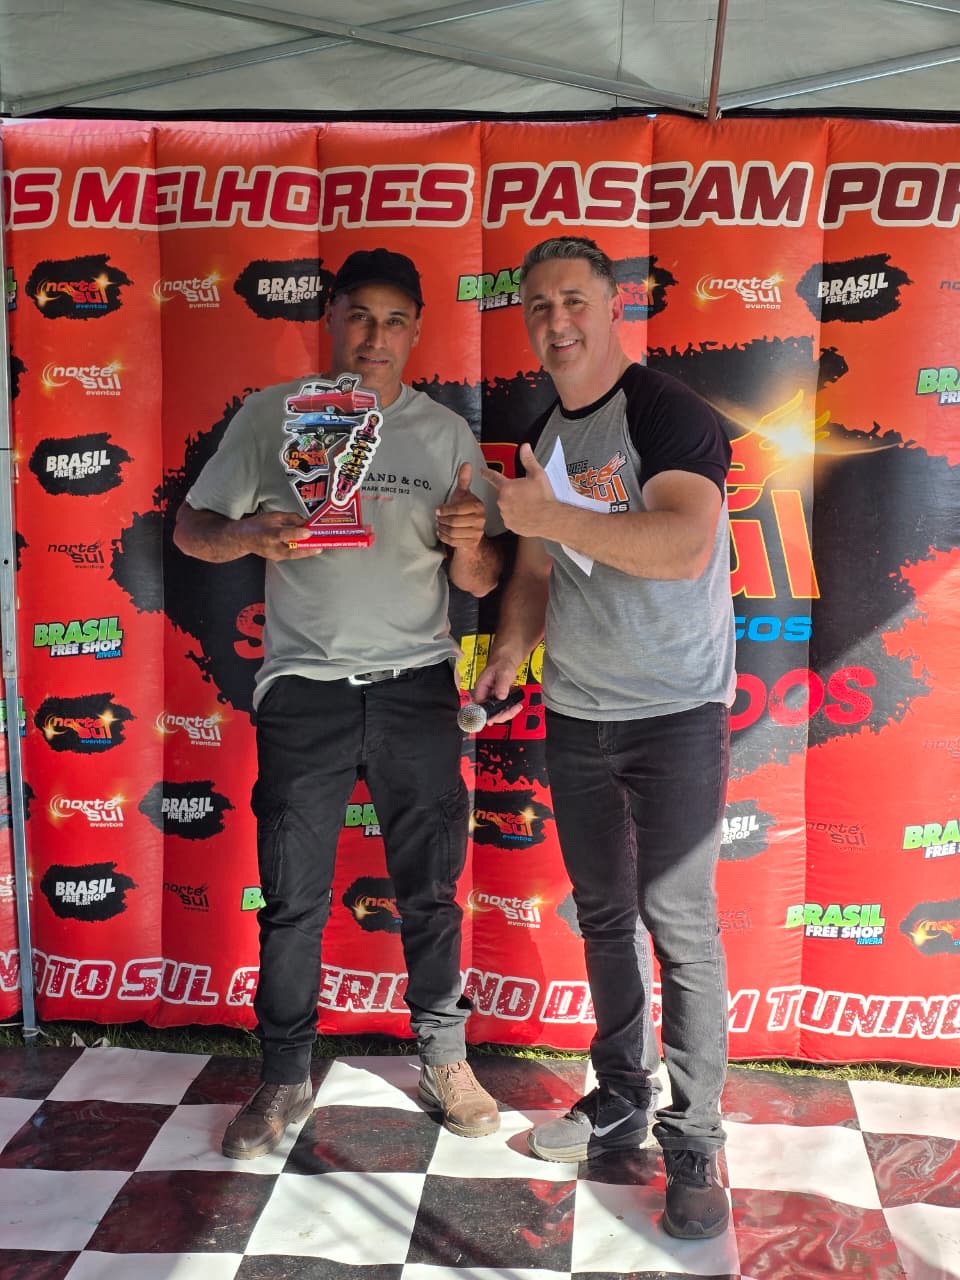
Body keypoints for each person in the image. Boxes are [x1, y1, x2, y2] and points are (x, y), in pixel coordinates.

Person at [174, 247, 504, 1157]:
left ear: (417, 333)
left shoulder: (443, 434)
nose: (376, 337)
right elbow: (193, 529)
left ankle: (445, 1058)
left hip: (416, 687)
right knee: (292, 900)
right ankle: (284, 1076)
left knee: (430, 891)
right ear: (331, 320)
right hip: (304, 691)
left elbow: (481, 576)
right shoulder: (274, 415)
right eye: (360, 316)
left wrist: (469, 541)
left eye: (395, 321)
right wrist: (250, 533)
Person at [475, 236, 736, 1239]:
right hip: (579, 712)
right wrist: (508, 653)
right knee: (603, 915)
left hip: (674, 712)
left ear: (614, 304)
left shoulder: (666, 412)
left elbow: (682, 545)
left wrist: (547, 513)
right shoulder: (545, 433)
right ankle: (622, 1091)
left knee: (679, 920)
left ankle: (697, 1137)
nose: (556, 321)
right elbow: (537, 571)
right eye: (538, 306)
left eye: (573, 300)